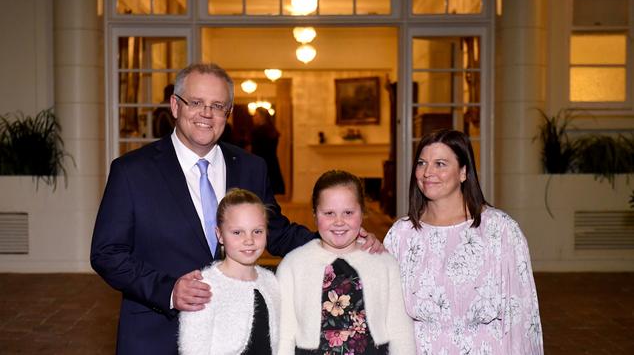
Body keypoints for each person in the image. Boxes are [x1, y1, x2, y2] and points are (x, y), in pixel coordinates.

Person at [90, 62, 382, 354]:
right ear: (175, 107)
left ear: (227, 114)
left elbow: (277, 231)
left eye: (218, 106)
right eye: (196, 102)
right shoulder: (132, 171)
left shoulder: (250, 168)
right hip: (156, 333)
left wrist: (340, 241)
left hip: (237, 333)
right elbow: (107, 253)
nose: (207, 113)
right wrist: (167, 291)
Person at [383, 129, 544, 354]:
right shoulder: (401, 235)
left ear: (463, 172)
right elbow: (386, 312)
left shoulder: (499, 230)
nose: (427, 172)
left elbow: (521, 315)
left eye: (440, 164)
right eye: (421, 163)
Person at [276, 170, 415, 354]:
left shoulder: (384, 263)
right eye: (329, 213)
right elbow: (284, 336)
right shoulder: (292, 265)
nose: (339, 221)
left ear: (363, 212)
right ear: (314, 214)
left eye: (348, 212)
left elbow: (401, 333)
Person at [178, 188, 279, 354]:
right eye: (237, 232)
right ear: (220, 235)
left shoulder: (271, 282)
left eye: (257, 231)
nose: (249, 240)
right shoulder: (204, 287)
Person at [251, 107, 285, 195]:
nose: (253, 117)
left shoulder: (258, 131)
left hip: (261, 164)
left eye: (256, 115)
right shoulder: (272, 130)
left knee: (260, 193)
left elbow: (256, 151)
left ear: (262, 117)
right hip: (272, 163)